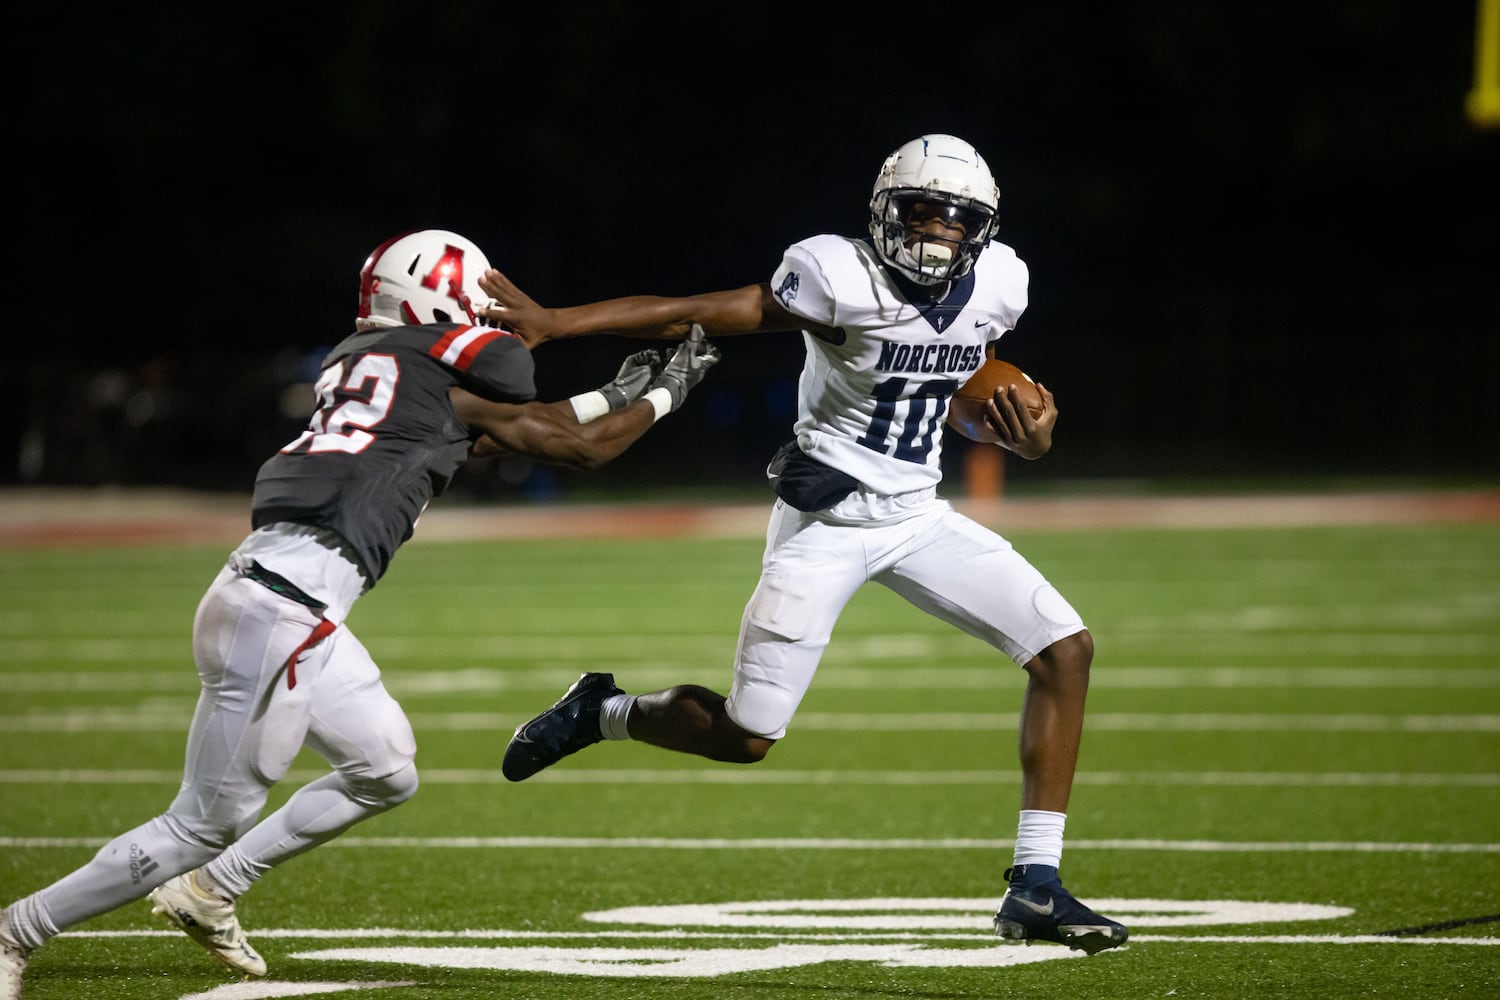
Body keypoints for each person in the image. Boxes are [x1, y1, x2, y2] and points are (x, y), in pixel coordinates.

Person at [0, 228, 722, 997]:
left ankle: (211, 890)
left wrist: (618, 393)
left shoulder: (370, 367)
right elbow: (573, 447)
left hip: (277, 595)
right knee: (198, 824)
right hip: (284, 612)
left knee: (384, 768)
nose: (491, 316)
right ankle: (18, 932)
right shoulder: (444, 370)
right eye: (480, 301)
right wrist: (669, 390)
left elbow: (494, 432)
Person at [486, 135, 1128, 955]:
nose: (937, 229)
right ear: (884, 211)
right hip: (824, 521)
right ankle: (600, 712)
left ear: (984, 226)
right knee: (749, 733)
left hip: (917, 516)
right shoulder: (835, 273)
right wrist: (559, 323)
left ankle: (1036, 887)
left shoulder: (1000, 281)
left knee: (1065, 649)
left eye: (957, 217)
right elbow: (699, 308)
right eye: (921, 210)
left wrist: (1024, 440)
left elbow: (959, 383)